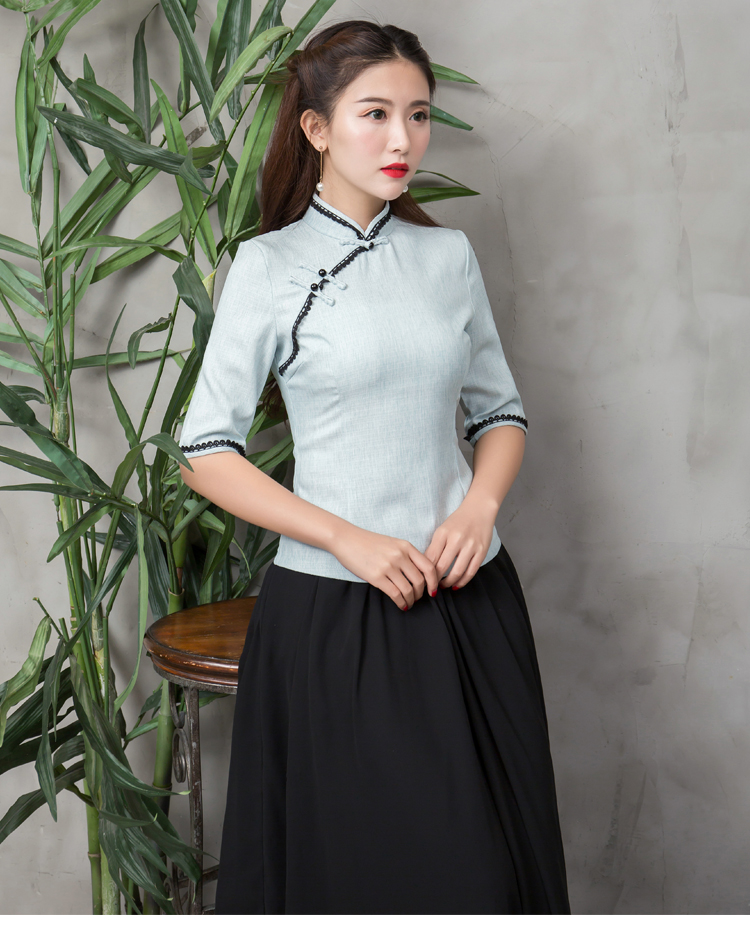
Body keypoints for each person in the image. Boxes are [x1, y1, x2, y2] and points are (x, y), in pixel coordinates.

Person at [178, 19, 570, 915]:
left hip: (469, 602)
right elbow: (205, 450)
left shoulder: (447, 256)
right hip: (335, 612)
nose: (404, 139)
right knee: (356, 882)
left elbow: (500, 414)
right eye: (376, 113)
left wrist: (478, 509)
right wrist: (346, 538)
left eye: (419, 114)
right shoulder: (268, 267)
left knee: (487, 885)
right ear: (316, 128)